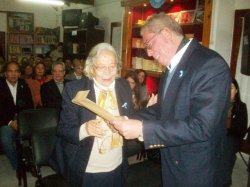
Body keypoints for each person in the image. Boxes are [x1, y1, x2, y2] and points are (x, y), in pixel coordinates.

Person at [110, 12, 231, 187]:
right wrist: (128, 119)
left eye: (149, 44)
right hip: (173, 161)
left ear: (166, 33)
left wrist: (143, 129)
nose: (149, 53)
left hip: (196, 170)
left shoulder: (210, 64)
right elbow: (163, 109)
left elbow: (202, 127)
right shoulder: (172, 66)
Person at [57, 43, 134, 187]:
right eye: (101, 67)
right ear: (91, 67)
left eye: (112, 66)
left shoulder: (124, 86)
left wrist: (127, 120)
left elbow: (131, 116)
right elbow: (63, 129)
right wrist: (85, 129)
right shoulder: (74, 89)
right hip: (88, 167)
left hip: (118, 163)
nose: (108, 72)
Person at [0, 62, 33, 170]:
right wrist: (10, 122)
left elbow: (29, 106)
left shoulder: (24, 85)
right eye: (10, 71)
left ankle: (33, 161)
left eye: (16, 71)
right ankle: (18, 165)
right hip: (6, 122)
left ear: (19, 73)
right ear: (5, 73)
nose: (13, 74)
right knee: (5, 138)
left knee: (37, 133)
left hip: (23, 121)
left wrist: (21, 121)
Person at [216, 77, 248, 187]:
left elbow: (241, 129)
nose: (228, 90)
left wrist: (225, 130)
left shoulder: (241, 106)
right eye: (226, 88)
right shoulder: (218, 104)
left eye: (231, 88)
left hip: (233, 138)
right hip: (218, 136)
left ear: (236, 90)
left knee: (226, 146)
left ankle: (224, 181)